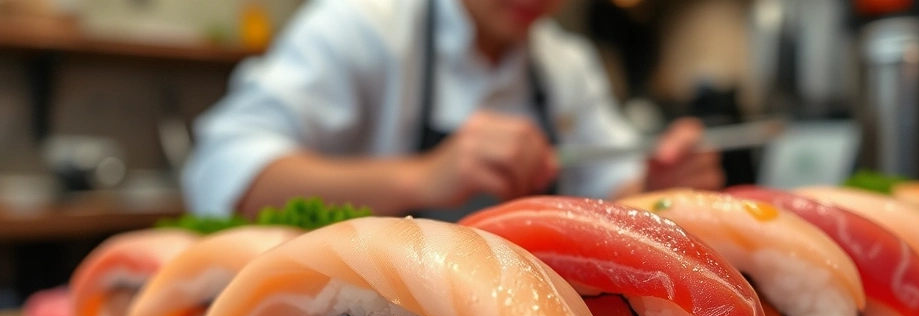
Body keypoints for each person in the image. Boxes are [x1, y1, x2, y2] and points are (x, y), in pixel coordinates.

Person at [183, 0, 724, 220]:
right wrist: (422, 176)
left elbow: (614, 185)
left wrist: (659, 183)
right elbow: (218, 172)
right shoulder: (363, 25)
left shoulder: (564, 63)